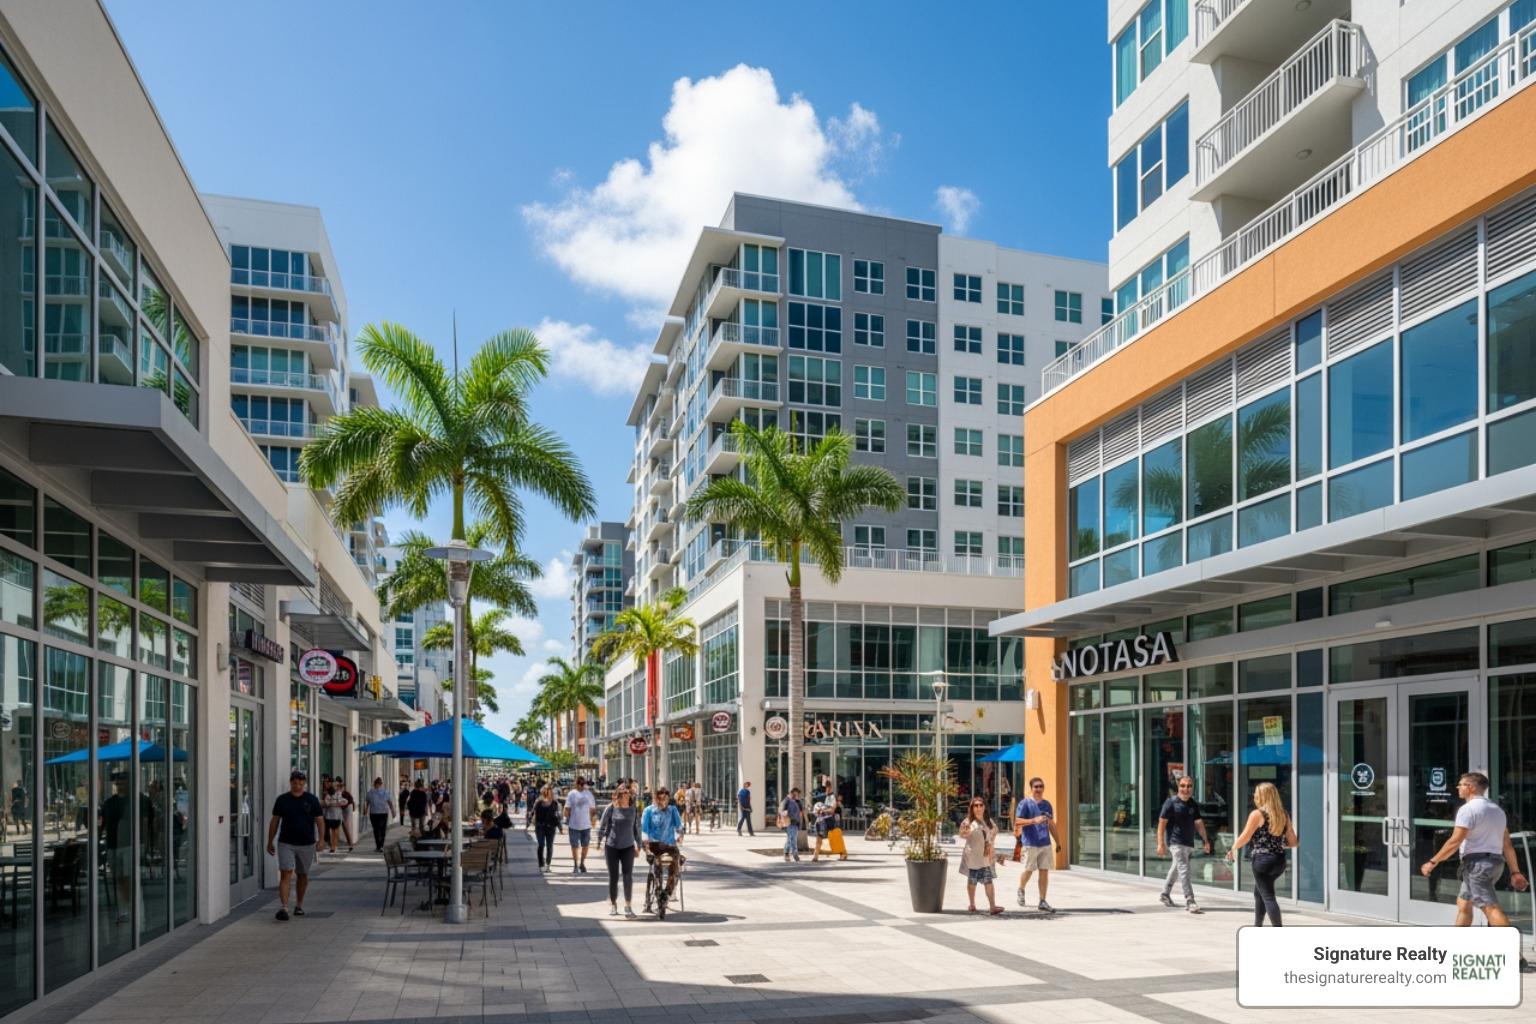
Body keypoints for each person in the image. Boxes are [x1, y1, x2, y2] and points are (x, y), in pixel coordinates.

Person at [1419, 772, 1535, 973]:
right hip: (1493, 863)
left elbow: (1455, 840)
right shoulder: (1496, 810)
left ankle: (1516, 958)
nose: (1458, 788)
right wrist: (1515, 871)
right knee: (1464, 903)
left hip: (1477, 866)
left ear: (1471, 787)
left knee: (1491, 909)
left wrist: (1433, 861)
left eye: (1462, 784)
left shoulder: (1468, 810)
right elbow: (1506, 843)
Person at [1226, 781, 1297, 927]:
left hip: (1262, 861)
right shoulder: (1284, 815)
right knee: (1260, 893)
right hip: (1279, 860)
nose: (1254, 797)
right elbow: (1293, 842)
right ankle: (1257, 926)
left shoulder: (1257, 814)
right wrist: (1276, 844)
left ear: (1263, 797)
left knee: (1268, 897)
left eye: (1256, 794)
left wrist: (1233, 848)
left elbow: (1245, 836)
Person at [266, 769, 324, 920]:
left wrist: (322, 839)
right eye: (294, 780)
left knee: (302, 874)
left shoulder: (311, 799)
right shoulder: (282, 800)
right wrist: (270, 841)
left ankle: (298, 905)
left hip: (306, 843)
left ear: (304, 783)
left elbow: (319, 820)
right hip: (286, 842)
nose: (297, 783)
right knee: (286, 872)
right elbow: (275, 821)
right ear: (291, 782)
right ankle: (284, 907)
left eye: (300, 780)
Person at [1157, 774, 1211, 914]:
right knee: (1184, 870)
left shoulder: (1193, 804)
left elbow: (1199, 823)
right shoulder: (1171, 803)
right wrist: (1160, 843)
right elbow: (1162, 824)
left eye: (1189, 786)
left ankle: (1165, 893)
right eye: (1183, 786)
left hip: (1188, 843)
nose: (1186, 789)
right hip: (1175, 843)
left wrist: (1205, 840)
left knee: (1176, 868)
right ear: (1178, 786)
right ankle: (1190, 899)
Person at [597, 784, 644, 918]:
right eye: (623, 793)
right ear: (618, 795)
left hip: (628, 846)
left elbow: (637, 828)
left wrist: (639, 845)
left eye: (628, 793)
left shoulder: (633, 809)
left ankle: (628, 905)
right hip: (612, 846)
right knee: (614, 876)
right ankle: (613, 903)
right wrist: (600, 842)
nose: (626, 795)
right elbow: (602, 826)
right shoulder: (611, 808)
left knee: (628, 876)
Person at [1013, 777, 1060, 912]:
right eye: (1036, 787)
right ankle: (1021, 889)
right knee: (1028, 870)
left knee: (1044, 871)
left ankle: (1042, 900)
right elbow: (1017, 821)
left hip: (1045, 842)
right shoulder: (1025, 804)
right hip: (1030, 843)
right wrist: (1033, 820)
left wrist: (1058, 841)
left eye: (1041, 786)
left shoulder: (1047, 805)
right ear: (1031, 789)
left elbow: (1051, 824)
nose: (1038, 789)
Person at [961, 797, 1004, 915]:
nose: (979, 808)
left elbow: (993, 833)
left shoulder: (988, 821)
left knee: (988, 880)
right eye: (976, 805)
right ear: (972, 808)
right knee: (972, 881)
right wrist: (966, 831)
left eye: (981, 805)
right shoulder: (969, 821)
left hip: (985, 856)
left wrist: (991, 847)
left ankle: (992, 906)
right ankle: (972, 904)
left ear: (984, 807)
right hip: (974, 856)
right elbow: (964, 834)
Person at [641, 786, 686, 896]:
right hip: (654, 844)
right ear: (656, 799)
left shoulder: (672, 810)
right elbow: (644, 830)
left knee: (676, 861)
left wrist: (680, 835)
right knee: (656, 863)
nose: (664, 802)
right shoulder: (649, 811)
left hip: (669, 844)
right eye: (661, 800)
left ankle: (670, 887)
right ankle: (657, 884)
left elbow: (678, 826)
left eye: (666, 800)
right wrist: (646, 846)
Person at [564, 776, 597, 874]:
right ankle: (575, 864)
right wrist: (565, 818)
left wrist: (591, 819)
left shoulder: (589, 794)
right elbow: (567, 808)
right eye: (580, 783)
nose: (582, 785)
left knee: (585, 845)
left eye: (583, 783)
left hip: (586, 825)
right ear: (576, 783)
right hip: (574, 824)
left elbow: (592, 808)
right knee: (574, 845)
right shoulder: (571, 794)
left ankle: (582, 862)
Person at [811, 783, 846, 861]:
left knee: (836, 838)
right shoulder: (826, 797)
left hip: (831, 821)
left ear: (829, 788)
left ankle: (843, 854)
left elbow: (832, 810)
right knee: (819, 837)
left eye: (826, 789)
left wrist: (822, 810)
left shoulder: (832, 797)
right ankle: (815, 855)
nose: (825, 791)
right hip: (824, 821)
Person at [532, 784, 561, 872]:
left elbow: (557, 815)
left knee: (549, 846)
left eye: (550, 791)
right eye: (547, 790)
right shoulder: (539, 802)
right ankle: (541, 864)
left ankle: (548, 864)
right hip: (540, 826)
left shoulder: (555, 803)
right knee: (541, 845)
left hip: (551, 827)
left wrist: (560, 826)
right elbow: (534, 813)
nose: (549, 793)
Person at [363, 777, 395, 852]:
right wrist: (393, 812)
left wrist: (365, 810)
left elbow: (367, 802)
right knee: (381, 829)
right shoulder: (385, 792)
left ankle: (379, 845)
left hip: (375, 813)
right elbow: (390, 802)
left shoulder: (371, 792)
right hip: (382, 813)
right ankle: (380, 845)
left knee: (377, 829)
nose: (376, 785)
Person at [780, 787, 804, 862]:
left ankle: (790, 854)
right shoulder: (787, 801)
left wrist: (801, 823)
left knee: (793, 839)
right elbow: (783, 811)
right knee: (791, 839)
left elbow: (801, 813)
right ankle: (792, 854)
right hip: (789, 822)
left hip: (795, 822)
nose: (796, 796)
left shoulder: (798, 802)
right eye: (795, 794)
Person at [320, 781, 345, 853]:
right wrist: (334, 804)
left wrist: (331, 804)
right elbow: (329, 803)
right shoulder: (332, 795)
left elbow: (338, 802)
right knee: (333, 831)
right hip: (332, 816)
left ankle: (334, 846)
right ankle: (333, 846)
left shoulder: (335, 795)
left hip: (334, 816)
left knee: (334, 831)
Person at [335, 777, 356, 852]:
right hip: (343, 808)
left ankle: (349, 843)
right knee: (345, 825)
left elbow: (349, 801)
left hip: (346, 808)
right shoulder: (342, 792)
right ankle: (349, 843)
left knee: (346, 824)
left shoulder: (343, 793)